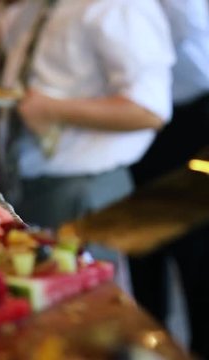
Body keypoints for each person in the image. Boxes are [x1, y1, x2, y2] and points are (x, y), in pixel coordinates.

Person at [0, 0, 175, 230]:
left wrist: (53, 110)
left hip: (81, 189)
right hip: (27, 177)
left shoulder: (122, 8)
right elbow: (6, 35)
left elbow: (148, 110)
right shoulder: (44, 4)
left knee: (76, 280)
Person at [129, 0, 209, 357]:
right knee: (143, 249)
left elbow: (187, 36)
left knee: (195, 254)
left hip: (189, 117)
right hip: (145, 120)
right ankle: (153, 345)